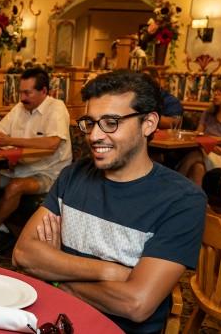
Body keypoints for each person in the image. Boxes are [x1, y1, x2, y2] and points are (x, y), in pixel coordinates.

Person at [13, 70, 205, 333]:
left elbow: (135, 304)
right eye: (90, 123)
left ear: (148, 123)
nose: (94, 136)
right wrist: (110, 271)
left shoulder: (183, 201)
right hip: (54, 321)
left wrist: (56, 275)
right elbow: (23, 254)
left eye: (111, 122)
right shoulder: (73, 175)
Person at [0, 67, 71, 252]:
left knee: (15, 186)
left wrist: (9, 140)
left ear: (44, 91)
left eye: (27, 93)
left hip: (48, 174)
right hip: (18, 169)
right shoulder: (20, 107)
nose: (22, 97)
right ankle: (0, 229)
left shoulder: (56, 108)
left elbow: (52, 143)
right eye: (21, 92)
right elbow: (0, 130)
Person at [177, 76, 221, 185]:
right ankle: (198, 196)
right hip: (206, 153)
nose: (216, 93)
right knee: (198, 167)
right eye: (215, 90)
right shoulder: (208, 113)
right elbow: (198, 135)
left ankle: (173, 185)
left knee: (196, 155)